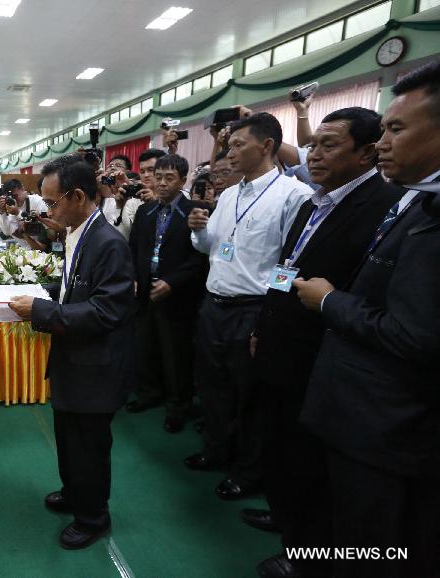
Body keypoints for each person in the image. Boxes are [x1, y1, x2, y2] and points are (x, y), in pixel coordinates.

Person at [295, 59, 440, 578]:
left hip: (387, 424)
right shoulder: (415, 201)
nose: (383, 143)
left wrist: (331, 302)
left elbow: (415, 334)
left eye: (396, 129)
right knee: (347, 524)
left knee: (375, 544)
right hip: (354, 408)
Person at [248, 108, 404, 578]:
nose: (314, 154)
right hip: (281, 344)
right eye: (313, 144)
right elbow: (286, 266)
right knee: (279, 448)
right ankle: (285, 517)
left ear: (365, 153)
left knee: (309, 463)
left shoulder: (382, 206)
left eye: (329, 145)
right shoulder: (314, 203)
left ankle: (305, 553)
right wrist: (264, 322)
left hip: (319, 355)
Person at [9, 153, 135, 550]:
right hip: (73, 360)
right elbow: (75, 291)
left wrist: (42, 310)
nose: (47, 210)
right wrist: (42, 294)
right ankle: (73, 491)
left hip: (95, 365)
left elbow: (105, 310)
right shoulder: (78, 232)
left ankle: (93, 515)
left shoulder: (108, 243)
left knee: (89, 446)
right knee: (68, 435)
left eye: (51, 202)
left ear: (78, 195)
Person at [186, 112, 312, 500]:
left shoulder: (293, 196)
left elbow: (290, 263)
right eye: (230, 144)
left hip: (254, 309)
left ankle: (249, 471)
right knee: (214, 386)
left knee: (251, 396)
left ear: (268, 146)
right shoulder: (228, 195)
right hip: (215, 305)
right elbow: (215, 248)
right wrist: (199, 230)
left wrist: (269, 316)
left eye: (239, 144)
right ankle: (217, 452)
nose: (230, 151)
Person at [127, 154, 208, 432]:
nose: (161, 183)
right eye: (157, 176)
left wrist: (173, 282)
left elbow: (200, 258)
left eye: (169, 178)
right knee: (144, 346)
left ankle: (177, 407)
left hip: (178, 294)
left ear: (183, 180)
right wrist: (135, 278)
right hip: (145, 290)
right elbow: (134, 248)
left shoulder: (195, 211)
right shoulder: (145, 211)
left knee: (176, 355)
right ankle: (148, 393)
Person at [0, 179, 49, 249]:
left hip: (41, 248)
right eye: (10, 197)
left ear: (22, 189)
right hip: (24, 249)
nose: (14, 200)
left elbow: (46, 230)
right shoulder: (9, 205)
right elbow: (6, 232)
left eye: (15, 196)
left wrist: (18, 213)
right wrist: (2, 212)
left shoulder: (38, 202)